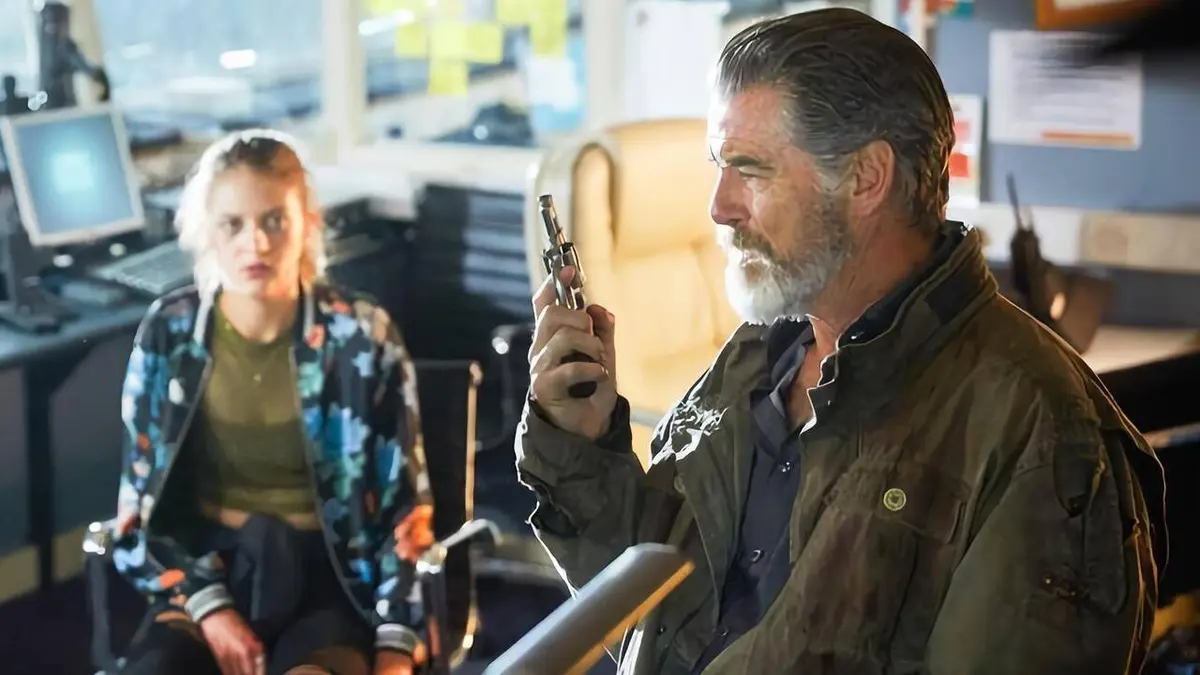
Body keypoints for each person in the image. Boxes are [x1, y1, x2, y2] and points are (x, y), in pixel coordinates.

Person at [516, 9, 1166, 675]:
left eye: (750, 170)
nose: (718, 206)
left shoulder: (1041, 432)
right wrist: (579, 442)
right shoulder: (759, 355)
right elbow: (655, 618)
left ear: (866, 178)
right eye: (719, 166)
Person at [109, 129, 434, 675]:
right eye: (232, 224)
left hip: (333, 574)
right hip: (209, 568)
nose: (255, 244)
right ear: (205, 229)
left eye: (274, 220)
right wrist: (210, 607)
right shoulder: (170, 332)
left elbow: (405, 511)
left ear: (307, 222)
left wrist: (398, 641)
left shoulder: (361, 336)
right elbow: (136, 513)